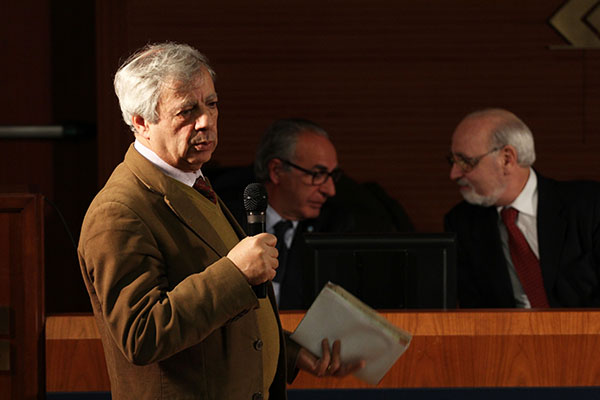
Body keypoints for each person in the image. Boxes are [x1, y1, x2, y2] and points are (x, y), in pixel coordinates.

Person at [78, 42, 362, 400]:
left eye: (211, 104)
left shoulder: (192, 181)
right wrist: (236, 272)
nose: (206, 122)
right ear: (141, 122)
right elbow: (142, 335)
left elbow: (215, 326)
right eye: (187, 111)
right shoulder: (119, 210)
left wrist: (290, 351)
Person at [444, 108, 600, 308]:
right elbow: (474, 311)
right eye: (453, 161)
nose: (454, 174)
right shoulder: (461, 222)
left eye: (466, 162)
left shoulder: (590, 205)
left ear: (507, 159)